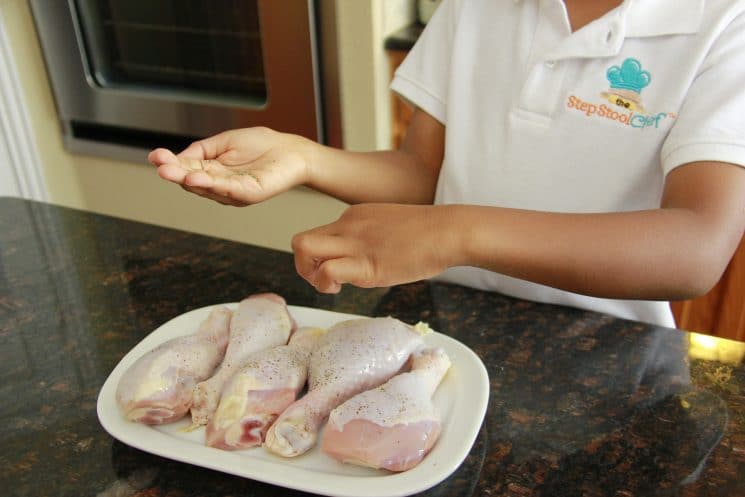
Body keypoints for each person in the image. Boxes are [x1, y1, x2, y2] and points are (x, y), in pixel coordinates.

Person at [149, 0, 745, 328]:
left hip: (614, 350)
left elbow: (695, 247)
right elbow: (423, 173)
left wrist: (455, 231)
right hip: (448, 324)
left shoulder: (725, 24)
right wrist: (305, 157)